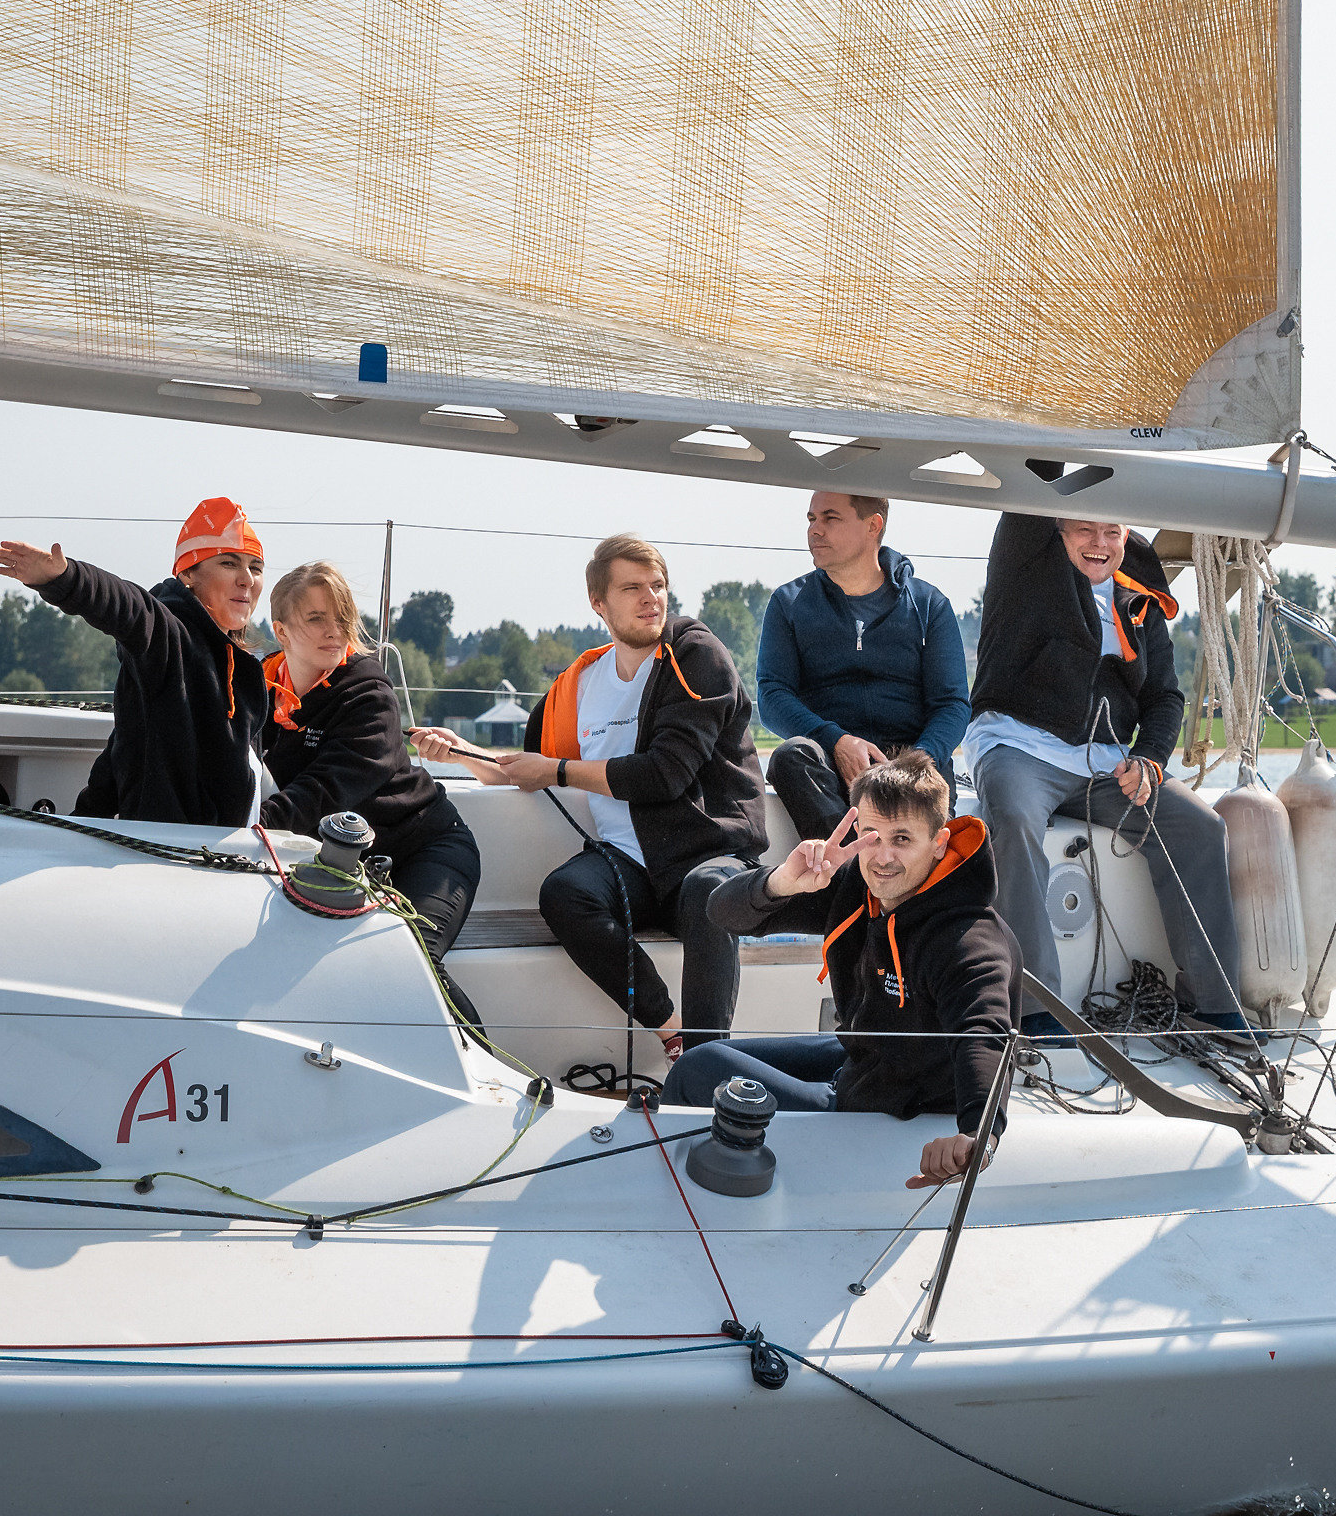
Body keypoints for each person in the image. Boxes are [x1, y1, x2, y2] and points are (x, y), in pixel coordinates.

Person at [413, 534, 765, 1056]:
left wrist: (556, 770)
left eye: (658, 585)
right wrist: (463, 753)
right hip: (631, 863)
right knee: (564, 893)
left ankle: (709, 1059)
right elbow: (525, 771)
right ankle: (674, 1031)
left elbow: (664, 775)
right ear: (598, 603)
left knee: (708, 894)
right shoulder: (578, 684)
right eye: (632, 588)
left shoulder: (695, 654)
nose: (652, 598)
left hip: (705, 853)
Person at [667, 749, 1017, 1189]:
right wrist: (781, 882)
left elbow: (983, 1032)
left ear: (940, 842)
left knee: (697, 1071)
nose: (883, 857)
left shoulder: (968, 938)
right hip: (864, 1060)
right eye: (872, 835)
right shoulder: (860, 887)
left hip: (895, 1104)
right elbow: (719, 912)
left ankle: (683, 1195)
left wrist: (977, 1134)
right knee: (701, 1059)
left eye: (903, 839)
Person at [966, 513, 1249, 1039]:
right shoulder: (1025, 563)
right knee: (1012, 814)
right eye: (1083, 530)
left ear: (1126, 536)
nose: (1098, 543)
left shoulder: (1139, 595)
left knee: (1199, 826)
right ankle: (1034, 1008)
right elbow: (1030, 489)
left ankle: (1212, 1003)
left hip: (1106, 762)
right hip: (1019, 743)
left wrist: (1150, 760)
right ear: (1056, 531)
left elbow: (1164, 696)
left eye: (1111, 532)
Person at [0, 497, 268, 826]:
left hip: (227, 859)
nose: (247, 579)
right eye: (229, 564)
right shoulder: (170, 635)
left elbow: (129, 744)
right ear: (189, 572)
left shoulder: (241, 666)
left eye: (256, 567)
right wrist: (66, 578)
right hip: (174, 859)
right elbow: (129, 608)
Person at [258, 561, 482, 960]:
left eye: (342, 617)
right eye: (316, 618)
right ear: (281, 631)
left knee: (412, 964)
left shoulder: (369, 696)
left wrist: (248, 825)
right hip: (343, 865)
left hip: (426, 850)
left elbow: (325, 791)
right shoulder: (257, 690)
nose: (336, 629)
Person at [756, 491, 971, 841]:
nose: (815, 530)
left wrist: (918, 761)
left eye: (830, 518)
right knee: (791, 756)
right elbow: (771, 696)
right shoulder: (789, 603)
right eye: (811, 519)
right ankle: (853, 877)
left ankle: (871, 881)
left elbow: (952, 704)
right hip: (830, 764)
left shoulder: (929, 604)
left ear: (873, 525)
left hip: (912, 760)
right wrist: (836, 741)